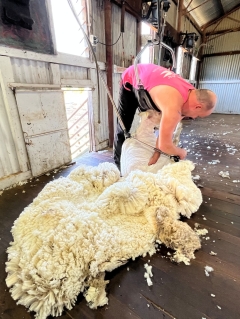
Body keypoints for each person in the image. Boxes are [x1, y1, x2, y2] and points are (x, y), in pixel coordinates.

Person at [113, 63, 217, 170]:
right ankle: (118, 168)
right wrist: (182, 152)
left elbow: (165, 135)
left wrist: (156, 155)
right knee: (123, 128)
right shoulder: (174, 106)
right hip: (132, 77)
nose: (194, 118)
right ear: (198, 107)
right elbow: (165, 145)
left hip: (151, 79)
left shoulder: (191, 95)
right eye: (198, 115)